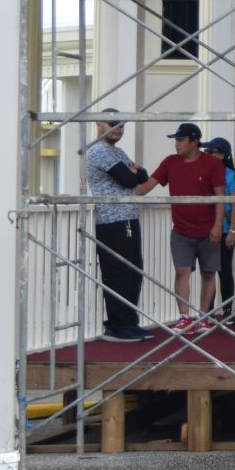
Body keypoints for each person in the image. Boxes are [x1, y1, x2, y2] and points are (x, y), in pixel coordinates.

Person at [135, 122, 227, 334]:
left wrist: (218, 226)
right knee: (181, 271)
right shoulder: (170, 162)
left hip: (208, 230)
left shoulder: (212, 164)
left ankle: (203, 316)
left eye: (180, 140)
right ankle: (184, 317)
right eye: (176, 140)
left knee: (208, 273)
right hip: (180, 230)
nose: (176, 144)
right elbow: (146, 187)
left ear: (194, 142)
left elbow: (220, 196)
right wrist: (124, 183)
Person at [86, 110, 152, 343]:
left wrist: (135, 172)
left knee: (133, 271)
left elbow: (142, 176)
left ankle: (129, 321)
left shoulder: (118, 152)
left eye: (122, 125)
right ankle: (116, 325)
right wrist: (133, 172)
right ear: (99, 124)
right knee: (118, 272)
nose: (118, 129)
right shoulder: (98, 151)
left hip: (128, 217)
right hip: (111, 220)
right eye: (113, 124)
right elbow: (128, 179)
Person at [201, 136, 235, 323]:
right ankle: (209, 311)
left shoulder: (233, 176)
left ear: (222, 155)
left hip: (226, 229)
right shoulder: (205, 172)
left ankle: (228, 311)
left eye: (210, 151)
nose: (206, 154)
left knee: (225, 271)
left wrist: (232, 231)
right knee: (208, 271)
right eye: (206, 151)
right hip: (206, 228)